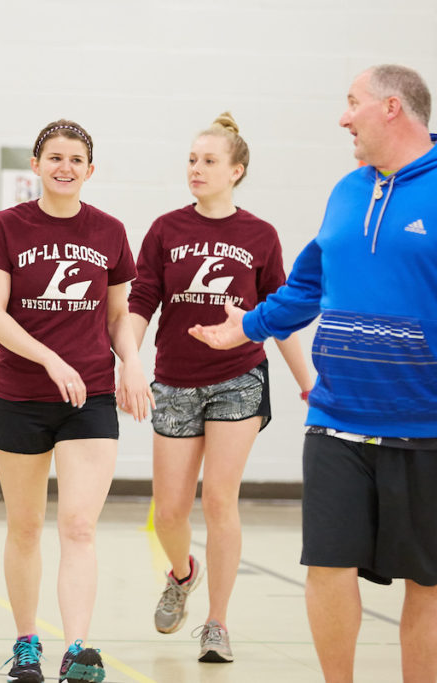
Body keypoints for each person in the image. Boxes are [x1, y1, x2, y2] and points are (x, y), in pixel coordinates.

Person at [190, 65, 437, 682]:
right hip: (337, 420)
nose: (342, 117)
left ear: (391, 108)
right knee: (327, 567)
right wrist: (247, 327)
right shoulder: (348, 191)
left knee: (430, 579)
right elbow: (307, 284)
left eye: (351, 103)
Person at [0, 119, 153, 683]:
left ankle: (77, 649)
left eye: (76, 159)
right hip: (20, 396)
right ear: (37, 164)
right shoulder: (6, 227)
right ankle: (27, 642)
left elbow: (119, 315)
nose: (65, 167)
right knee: (25, 527)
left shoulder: (110, 232)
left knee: (78, 526)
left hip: (91, 397)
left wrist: (132, 363)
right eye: (55, 157)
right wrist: (50, 358)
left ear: (89, 170)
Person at [127, 113, 313, 663]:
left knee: (220, 500)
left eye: (209, 161)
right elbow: (141, 302)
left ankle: (217, 623)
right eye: (191, 159)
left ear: (236, 171)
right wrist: (128, 364)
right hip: (175, 381)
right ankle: (182, 575)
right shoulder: (165, 229)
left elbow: (279, 314)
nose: (196, 169)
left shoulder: (259, 236)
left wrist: (309, 385)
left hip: (238, 378)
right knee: (169, 511)